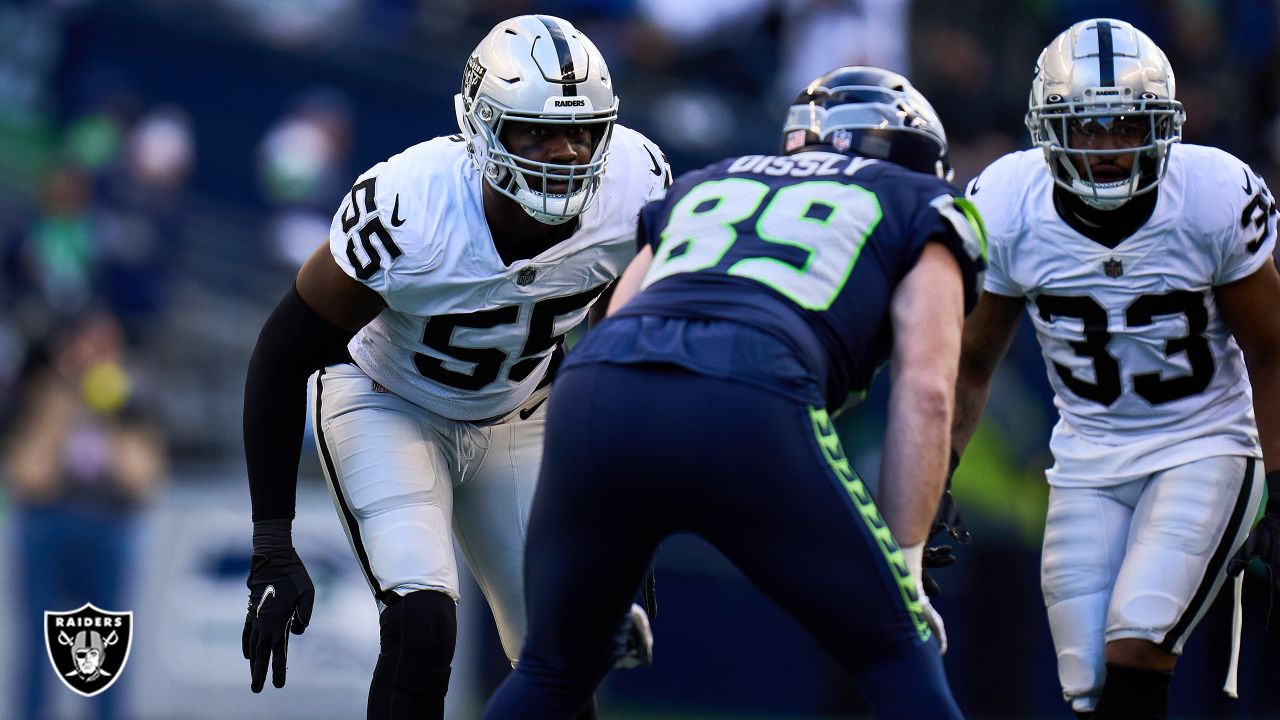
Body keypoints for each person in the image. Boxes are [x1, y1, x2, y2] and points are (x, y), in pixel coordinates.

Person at [482, 66, 986, 719]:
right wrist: (906, 562)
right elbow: (927, 392)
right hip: (752, 388)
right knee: (896, 650)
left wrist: (612, 569)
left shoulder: (709, 181)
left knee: (553, 669)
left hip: (597, 392)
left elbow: (615, 330)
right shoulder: (924, 203)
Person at [238, 14, 669, 719]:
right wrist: (271, 545)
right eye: (535, 130)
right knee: (422, 623)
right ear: (483, 128)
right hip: (389, 402)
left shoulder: (635, 184)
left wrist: (627, 516)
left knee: (564, 649)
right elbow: (282, 355)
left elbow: (626, 343)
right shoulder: (410, 207)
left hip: (520, 413)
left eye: (582, 130)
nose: (564, 151)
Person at [950, 18, 1280, 720]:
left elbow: (1273, 351)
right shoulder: (1009, 203)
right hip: (1087, 463)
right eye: (1087, 127)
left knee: (1140, 642)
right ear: (1047, 126)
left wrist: (1277, 485)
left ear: (1162, 124)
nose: (1105, 147)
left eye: (1127, 124)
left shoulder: (1213, 193)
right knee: (1091, 684)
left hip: (1204, 443)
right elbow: (971, 364)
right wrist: (933, 481)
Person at [7, 309, 167, 720]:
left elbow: (141, 478)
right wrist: (67, 395)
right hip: (46, 522)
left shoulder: (135, 395)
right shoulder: (39, 390)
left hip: (109, 524)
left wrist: (111, 406)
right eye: (86, 345)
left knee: (106, 645)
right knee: (38, 643)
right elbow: (28, 473)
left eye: (105, 346)